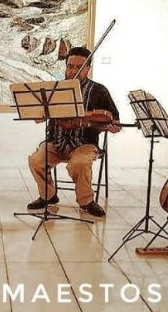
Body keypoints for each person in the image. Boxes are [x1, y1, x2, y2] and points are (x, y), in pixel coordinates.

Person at [26, 46, 121, 218]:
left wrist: (112, 127)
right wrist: (39, 114)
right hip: (56, 142)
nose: (73, 71)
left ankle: (86, 201)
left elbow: (114, 119)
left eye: (79, 67)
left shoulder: (99, 91)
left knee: (79, 163)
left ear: (88, 68)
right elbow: (39, 117)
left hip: (85, 144)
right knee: (36, 160)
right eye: (70, 66)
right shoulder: (55, 88)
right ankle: (48, 196)